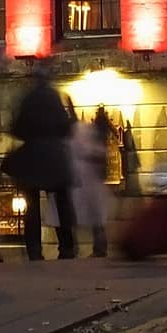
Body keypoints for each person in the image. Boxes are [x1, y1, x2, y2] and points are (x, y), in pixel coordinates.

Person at [6, 64, 76, 259]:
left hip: (33, 157)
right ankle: (67, 247)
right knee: (61, 204)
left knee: (32, 206)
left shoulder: (27, 98)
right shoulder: (54, 97)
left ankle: (35, 250)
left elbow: (16, 128)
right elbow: (65, 128)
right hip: (54, 157)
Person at [73, 106, 115, 257]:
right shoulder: (99, 142)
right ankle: (99, 248)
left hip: (91, 185)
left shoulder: (94, 142)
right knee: (97, 218)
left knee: (95, 217)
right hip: (94, 185)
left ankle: (99, 248)